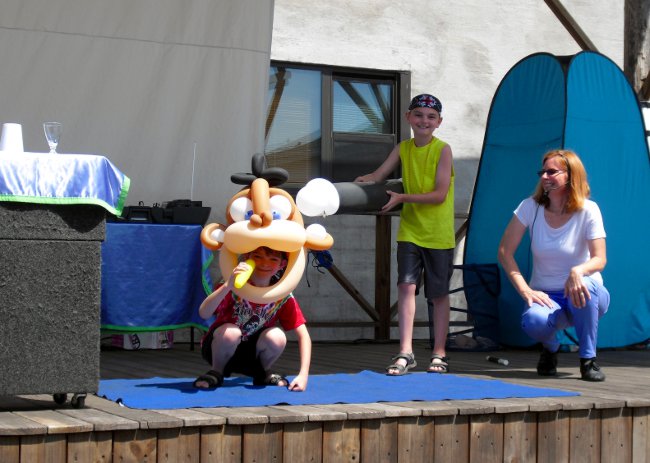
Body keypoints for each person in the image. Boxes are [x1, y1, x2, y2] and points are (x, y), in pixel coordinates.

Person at [355, 93, 455, 375]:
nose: (424, 120)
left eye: (431, 116)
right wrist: (364, 183)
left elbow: (439, 194)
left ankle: (439, 353)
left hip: (438, 234)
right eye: (419, 115)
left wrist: (401, 199)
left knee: (438, 294)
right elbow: (379, 174)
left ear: (439, 122)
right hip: (410, 231)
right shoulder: (403, 147)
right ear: (408, 117)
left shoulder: (443, 150)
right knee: (405, 287)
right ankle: (405, 352)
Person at [497, 149, 610, 382]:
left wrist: (578, 271)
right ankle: (550, 349)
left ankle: (588, 359)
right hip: (547, 295)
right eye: (543, 172)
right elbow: (505, 252)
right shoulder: (530, 207)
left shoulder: (589, 209)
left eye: (552, 172)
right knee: (533, 321)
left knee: (585, 285)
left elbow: (600, 259)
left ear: (571, 175)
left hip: (586, 294)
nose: (544, 177)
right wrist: (525, 290)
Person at [193, 246, 312, 391]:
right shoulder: (233, 284)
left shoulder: (282, 295)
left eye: (273, 259)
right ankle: (216, 372)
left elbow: (303, 335)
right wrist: (227, 286)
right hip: (220, 347)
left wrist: (303, 375)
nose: (264, 263)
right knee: (231, 332)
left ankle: (263, 372)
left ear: (282, 264)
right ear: (247, 258)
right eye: (257, 257)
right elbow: (204, 313)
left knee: (277, 336)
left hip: (252, 355)